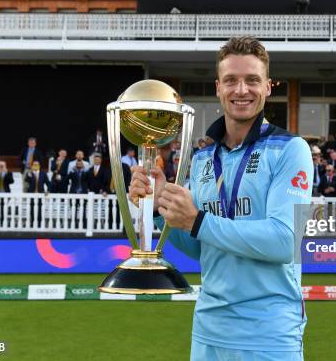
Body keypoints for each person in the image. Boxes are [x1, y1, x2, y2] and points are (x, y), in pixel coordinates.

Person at [129, 36, 310, 360]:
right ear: (218, 87)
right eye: (231, 81)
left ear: (268, 86)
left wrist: (198, 220)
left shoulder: (292, 149)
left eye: (252, 80)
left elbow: (285, 241)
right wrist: (160, 209)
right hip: (208, 332)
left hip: (269, 336)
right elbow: (201, 246)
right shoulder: (202, 158)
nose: (242, 90)